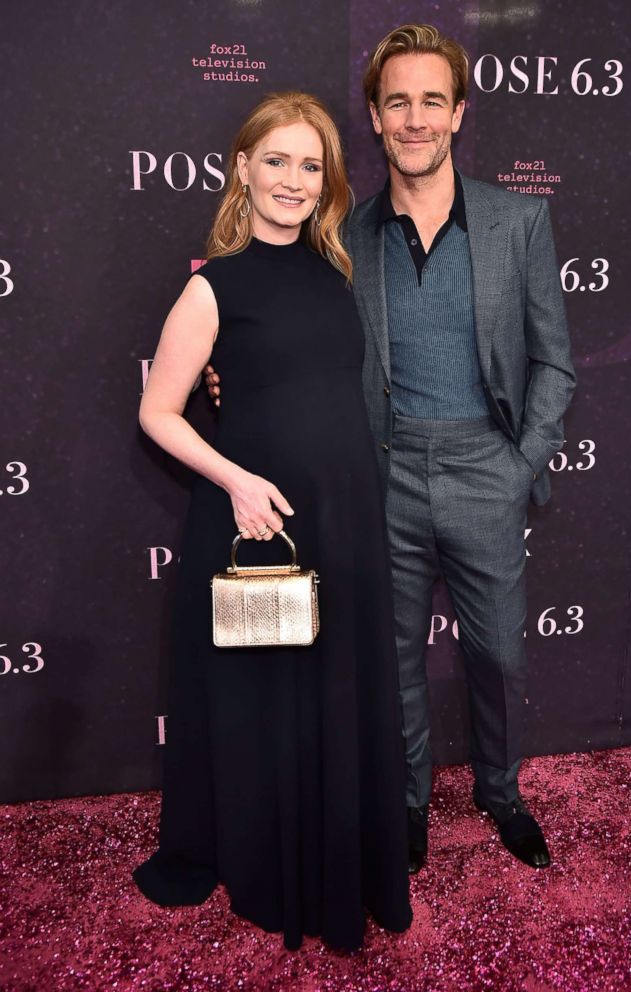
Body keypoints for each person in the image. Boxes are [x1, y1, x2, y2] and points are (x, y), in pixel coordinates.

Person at [208, 25, 576, 875]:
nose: (415, 119)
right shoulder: (342, 235)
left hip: (486, 465)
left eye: (431, 101)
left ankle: (501, 793)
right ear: (373, 117)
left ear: (459, 113)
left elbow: (553, 359)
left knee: (499, 654)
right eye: (397, 102)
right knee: (393, 656)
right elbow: (289, 332)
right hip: (382, 473)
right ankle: (407, 804)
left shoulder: (518, 220)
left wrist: (520, 465)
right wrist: (235, 381)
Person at [132, 91, 412, 952]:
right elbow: (158, 412)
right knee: (269, 701)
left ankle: (340, 848)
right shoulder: (212, 285)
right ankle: (271, 860)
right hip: (261, 524)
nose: (293, 179)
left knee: (336, 684)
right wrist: (237, 483)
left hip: (345, 513)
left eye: (310, 164)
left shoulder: (334, 273)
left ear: (326, 181)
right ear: (243, 168)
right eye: (277, 160)